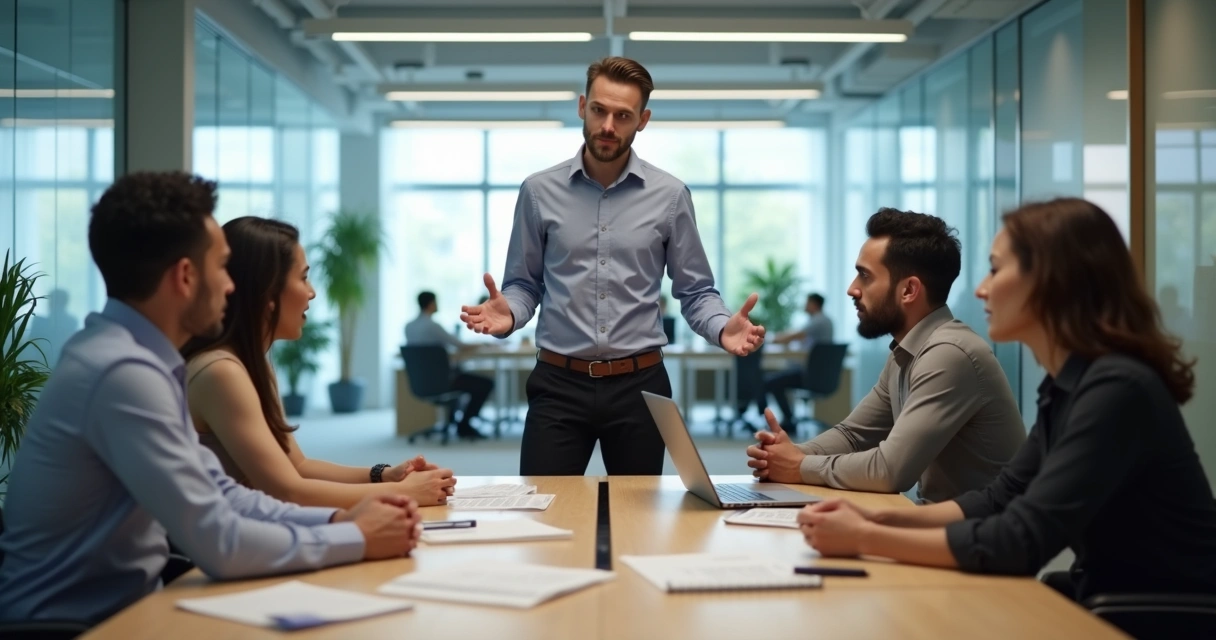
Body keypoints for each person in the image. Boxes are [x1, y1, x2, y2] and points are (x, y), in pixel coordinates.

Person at [0, 173, 421, 625]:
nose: (231, 286)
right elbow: (218, 540)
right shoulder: (123, 374)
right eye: (222, 267)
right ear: (185, 277)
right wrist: (356, 537)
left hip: (124, 610)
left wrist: (340, 522)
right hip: (66, 627)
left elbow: (226, 496)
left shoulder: (139, 361)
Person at [796, 197, 1216, 603]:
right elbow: (1000, 498)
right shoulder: (1069, 384)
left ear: (1053, 282)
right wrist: (872, 518)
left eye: (995, 270)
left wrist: (867, 537)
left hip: (1162, 614)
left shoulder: (1118, 390)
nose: (980, 289)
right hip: (1107, 596)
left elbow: (1020, 538)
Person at [460, 56, 765, 475]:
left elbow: (695, 291)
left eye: (623, 116)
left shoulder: (671, 196)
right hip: (558, 382)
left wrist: (720, 325)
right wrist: (510, 311)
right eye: (600, 110)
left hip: (640, 385)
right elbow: (525, 283)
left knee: (639, 522)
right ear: (582, 105)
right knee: (544, 514)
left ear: (643, 120)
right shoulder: (537, 192)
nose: (608, 126)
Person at [746, 209, 1025, 503]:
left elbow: (891, 470)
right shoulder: (906, 352)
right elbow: (854, 435)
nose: (852, 288)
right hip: (943, 529)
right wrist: (792, 454)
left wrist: (799, 466)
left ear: (908, 290)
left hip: (980, 542)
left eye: (865, 276)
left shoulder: (949, 354)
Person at [182, 217, 456, 508]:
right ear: (268, 291)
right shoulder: (222, 372)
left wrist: (385, 476)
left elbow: (298, 467)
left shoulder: (252, 364)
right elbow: (288, 492)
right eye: (303, 278)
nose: (311, 292)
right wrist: (407, 493)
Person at [405, 290, 494, 440]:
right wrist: (482, 343)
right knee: (486, 384)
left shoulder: (408, 327)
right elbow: (459, 345)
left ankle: (455, 421)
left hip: (421, 381)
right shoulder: (433, 326)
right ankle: (465, 425)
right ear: (431, 303)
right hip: (443, 381)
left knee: (461, 375)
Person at [754, 293, 836, 432]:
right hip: (821, 374)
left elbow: (795, 335)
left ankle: (788, 419)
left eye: (807, 302)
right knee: (777, 379)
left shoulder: (818, 321)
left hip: (810, 375)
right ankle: (788, 419)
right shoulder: (825, 321)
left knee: (771, 382)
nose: (805, 305)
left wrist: (772, 339)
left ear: (814, 304)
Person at [28, 288, 79, 367]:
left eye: (52, 301)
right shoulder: (39, 321)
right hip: (42, 362)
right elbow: (32, 343)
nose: (49, 304)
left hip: (60, 362)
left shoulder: (71, 322)